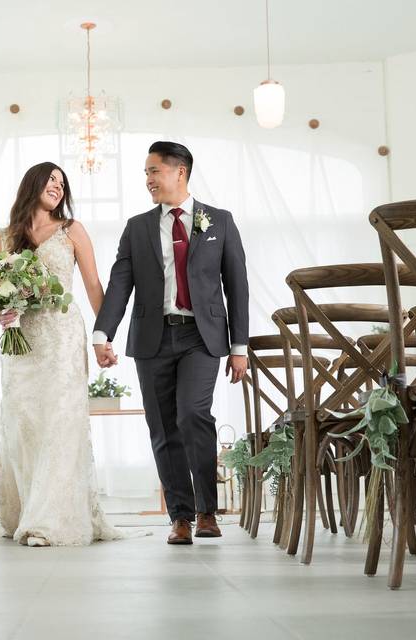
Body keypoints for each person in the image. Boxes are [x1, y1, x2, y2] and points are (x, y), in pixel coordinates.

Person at [92, 141, 250, 545]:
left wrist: (239, 347)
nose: (148, 180)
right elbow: (119, 286)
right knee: (162, 427)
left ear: (180, 172)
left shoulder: (220, 221)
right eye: (146, 172)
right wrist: (101, 333)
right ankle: (179, 516)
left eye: (154, 171)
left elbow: (237, 287)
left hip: (202, 336)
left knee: (193, 414)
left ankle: (207, 512)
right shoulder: (137, 227)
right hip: (153, 337)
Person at [0, 161, 124, 546]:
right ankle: (23, 511)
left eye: (62, 183)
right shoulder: (3, 237)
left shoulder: (72, 230)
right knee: (24, 422)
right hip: (21, 342)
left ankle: (48, 520)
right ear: (32, 182)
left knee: (61, 422)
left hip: (62, 335)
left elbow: (95, 286)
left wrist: (104, 338)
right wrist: (2, 311)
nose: (57, 187)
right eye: (51, 179)